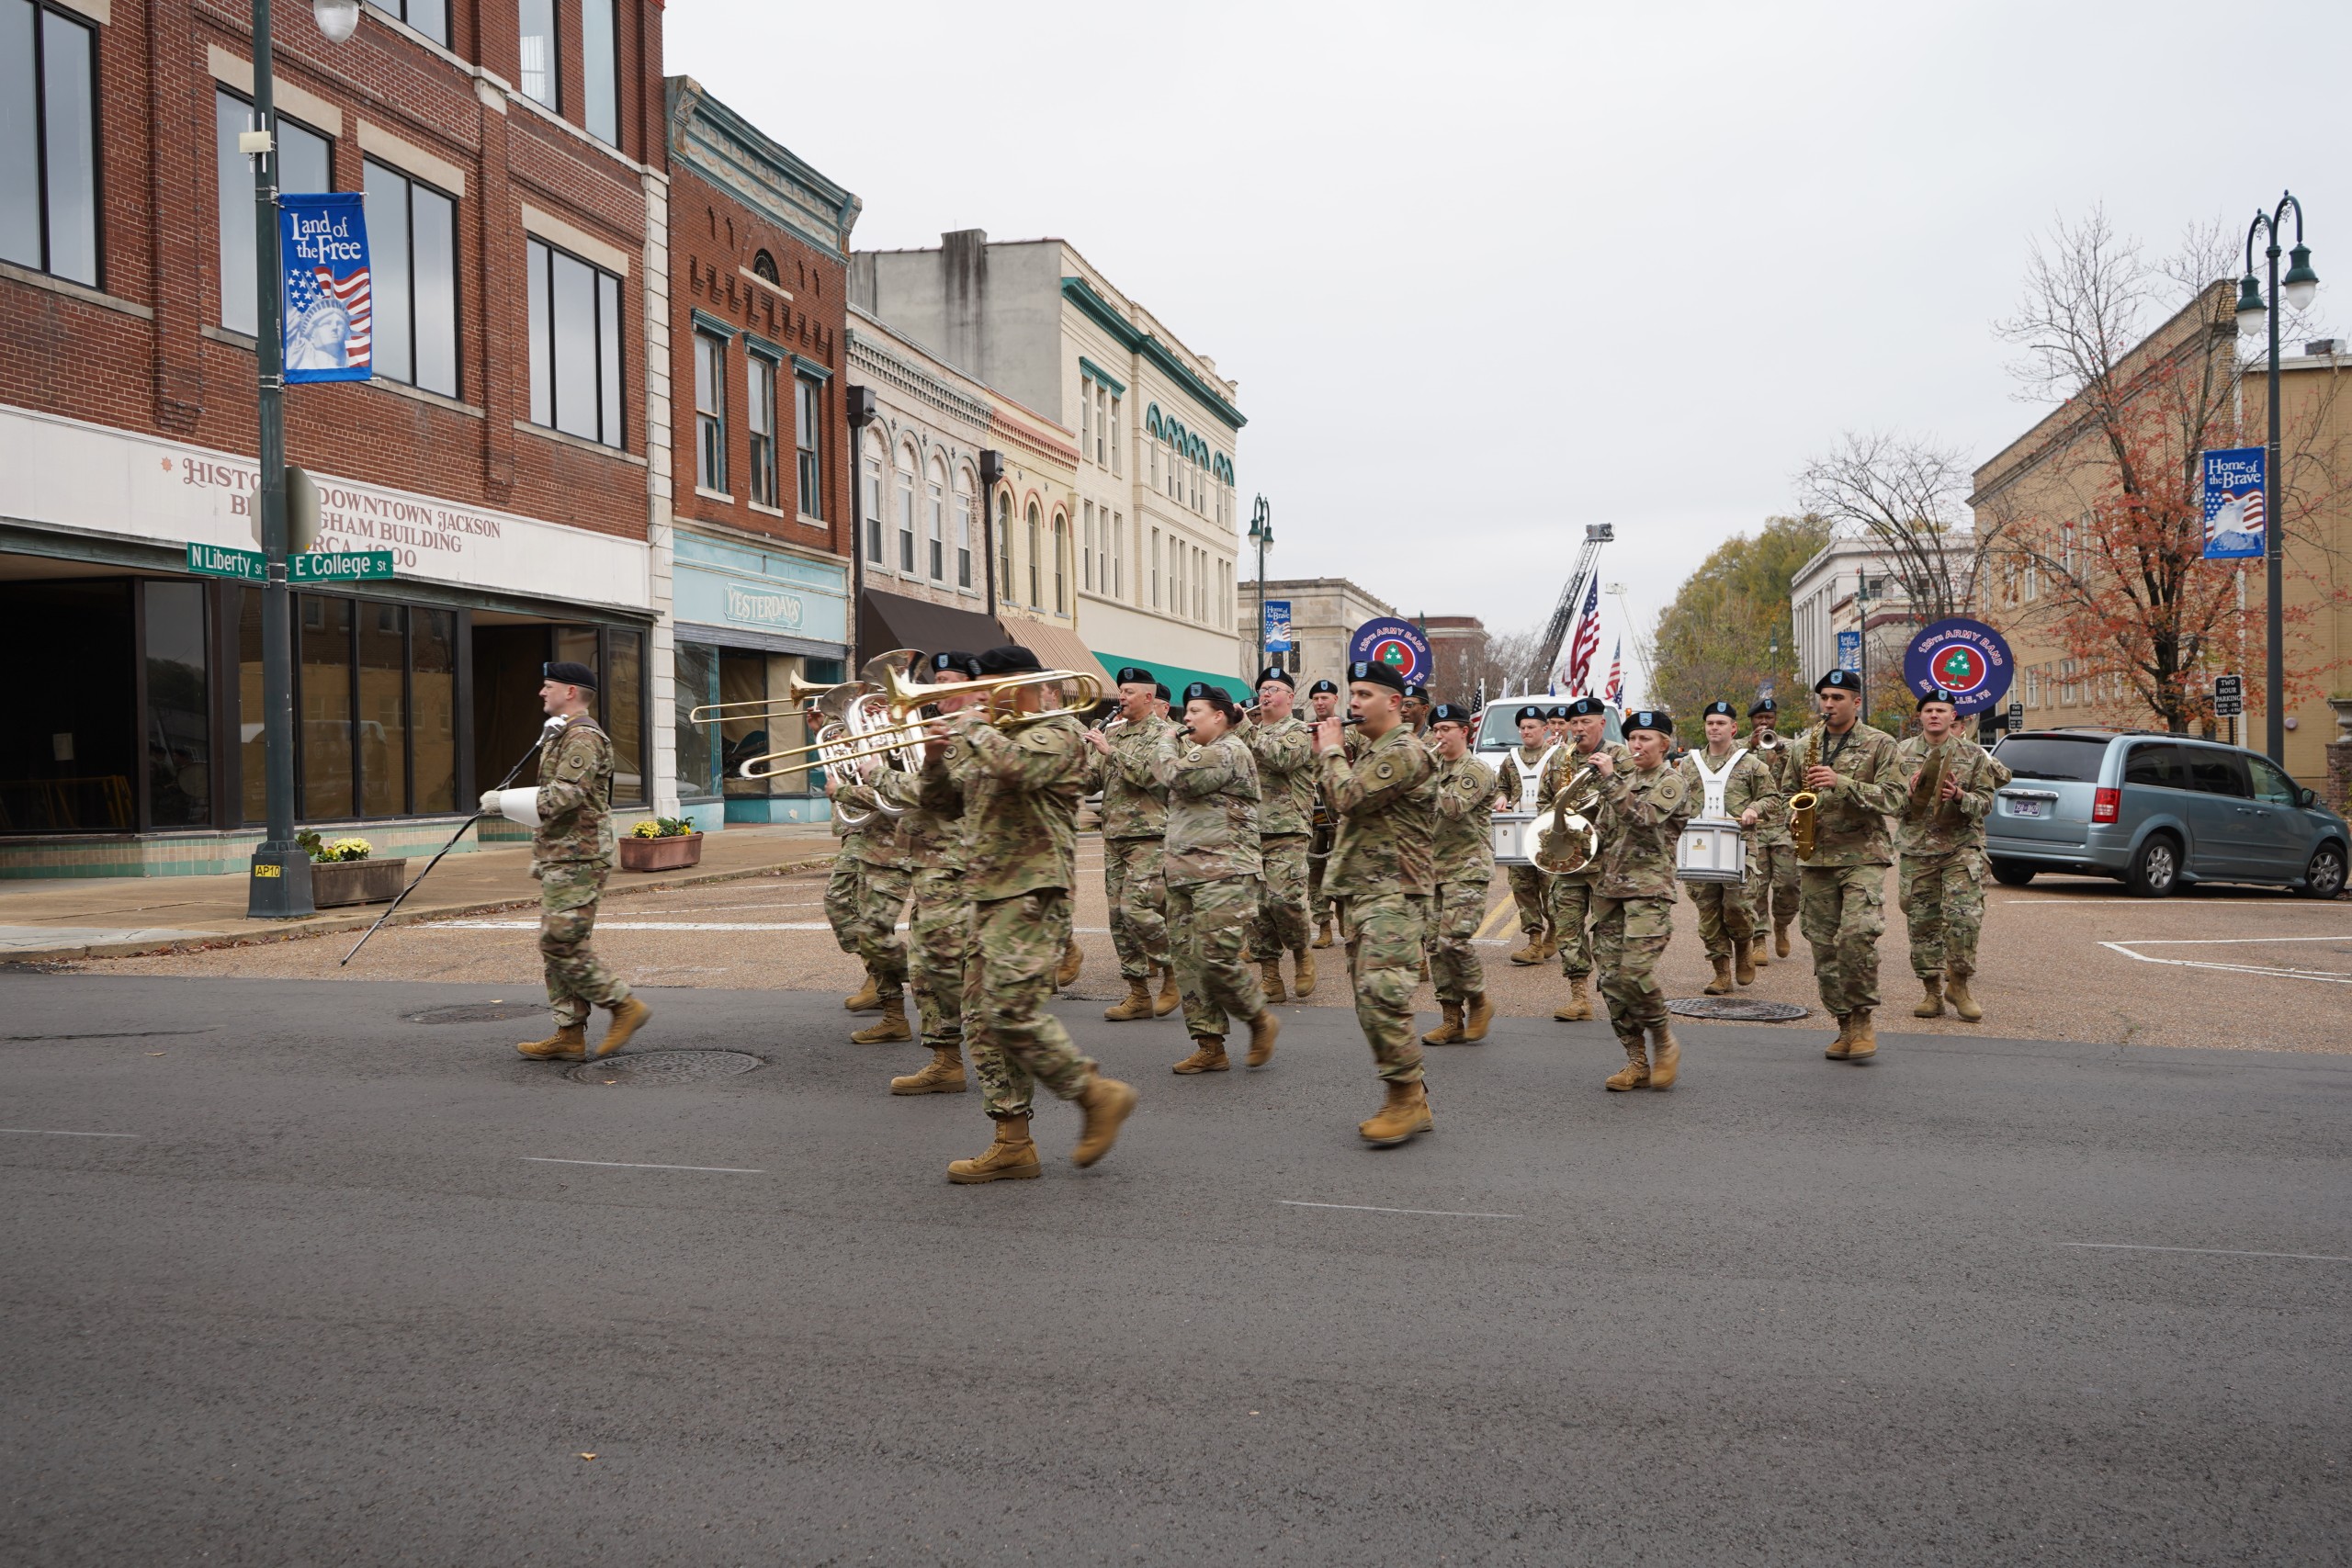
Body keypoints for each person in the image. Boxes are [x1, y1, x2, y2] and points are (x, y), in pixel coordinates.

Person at [920, 645, 1138, 1181]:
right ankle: (1012, 1142)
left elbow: (1018, 770)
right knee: (982, 1023)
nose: (974, 700)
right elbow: (943, 807)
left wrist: (971, 727)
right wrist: (932, 758)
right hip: (988, 890)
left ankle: (1094, 1093)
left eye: (985, 690)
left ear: (1021, 686)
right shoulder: (987, 737)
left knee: (1010, 1012)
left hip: (1032, 891)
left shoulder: (1055, 730)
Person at [496, 660, 651, 1061]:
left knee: (559, 942)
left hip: (578, 855)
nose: (540, 692)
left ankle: (622, 1005)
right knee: (560, 944)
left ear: (570, 691)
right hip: (563, 852)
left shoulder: (582, 737)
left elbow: (565, 796)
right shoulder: (563, 734)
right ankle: (568, 1034)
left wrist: (503, 802)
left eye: (548, 686)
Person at [1313, 660, 1439, 1146]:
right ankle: (1409, 1095)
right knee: (1370, 1001)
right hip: (1364, 890)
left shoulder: (1404, 751)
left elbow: (1350, 799)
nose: (1354, 703)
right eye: (1353, 694)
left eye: (1365, 694)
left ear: (1394, 703)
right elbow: (1337, 802)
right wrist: (1331, 755)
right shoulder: (1370, 750)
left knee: (1383, 995)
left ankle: (1406, 1099)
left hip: (1396, 892)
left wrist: (1329, 753)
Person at [863, 652, 982, 1095]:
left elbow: (932, 793)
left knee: (946, 968)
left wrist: (875, 776)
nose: (939, 693)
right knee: (929, 967)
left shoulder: (976, 733)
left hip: (957, 863)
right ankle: (945, 1059)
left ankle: (983, 1058)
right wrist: (883, 726)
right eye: (936, 683)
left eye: (949, 683)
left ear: (974, 686)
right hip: (930, 862)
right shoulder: (942, 727)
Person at [1152, 682, 1280, 1074]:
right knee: (1189, 962)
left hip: (1223, 872)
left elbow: (1176, 778)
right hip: (1184, 872)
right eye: (1184, 712)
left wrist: (1164, 736)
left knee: (1216, 958)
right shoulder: (1200, 751)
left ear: (1219, 716)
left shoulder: (1228, 750)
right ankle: (1210, 1045)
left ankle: (1259, 1018)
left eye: (1194, 711)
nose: (1185, 718)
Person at [1792, 670, 1906, 1062]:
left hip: (1862, 855)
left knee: (1856, 935)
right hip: (1815, 856)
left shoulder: (1881, 743)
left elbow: (1896, 800)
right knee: (1823, 947)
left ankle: (1862, 1019)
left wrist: (1841, 782)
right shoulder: (1803, 744)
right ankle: (1842, 1024)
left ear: (1856, 701)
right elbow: (1788, 793)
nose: (1828, 704)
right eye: (1824, 697)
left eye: (1837, 697)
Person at [1587, 708, 1691, 1089]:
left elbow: (1645, 819)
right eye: (1632, 738)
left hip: (1649, 890)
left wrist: (1611, 781)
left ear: (1664, 744)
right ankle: (1636, 1060)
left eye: (1645, 738)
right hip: (1610, 890)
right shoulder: (1620, 780)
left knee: (1635, 973)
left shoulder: (1671, 781)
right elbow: (1601, 830)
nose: (1636, 745)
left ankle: (1663, 1040)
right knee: (1612, 981)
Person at [1894, 689, 2002, 1022]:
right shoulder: (1901, 753)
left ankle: (1960, 985)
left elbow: (1985, 802)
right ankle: (1931, 992)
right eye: (1929, 710)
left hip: (1961, 847)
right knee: (1922, 924)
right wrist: (1909, 794)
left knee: (1963, 919)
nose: (1935, 715)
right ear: (1921, 716)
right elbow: (1890, 803)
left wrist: (1959, 795)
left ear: (1953, 716)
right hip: (1918, 851)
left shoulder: (1973, 755)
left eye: (1942, 710)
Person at [825, 662, 916, 1045]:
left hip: (899, 843)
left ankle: (929, 974)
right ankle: (888, 1000)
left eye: (885, 693)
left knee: (875, 930)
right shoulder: (869, 736)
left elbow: (898, 793)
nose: (876, 704)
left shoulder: (912, 740)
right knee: (846, 910)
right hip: (865, 839)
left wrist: (843, 791)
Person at [1085, 666, 1181, 1021]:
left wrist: (1110, 752)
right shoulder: (1115, 733)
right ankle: (1137, 991)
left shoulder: (1165, 735)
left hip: (1149, 836)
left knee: (1137, 909)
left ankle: (1172, 973)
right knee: (1116, 917)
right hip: (1114, 836)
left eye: (1127, 692)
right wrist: (1083, 754)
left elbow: (1155, 778)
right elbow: (1090, 780)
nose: (1120, 698)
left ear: (1148, 697)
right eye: (1120, 691)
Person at [1678, 700, 1782, 996]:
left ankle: (1744, 946)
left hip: (1739, 848)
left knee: (1736, 908)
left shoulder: (1751, 764)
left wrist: (1753, 808)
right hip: (1699, 849)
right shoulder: (1688, 764)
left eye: (1721, 723)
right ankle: (1721, 974)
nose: (1714, 728)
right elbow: (1675, 802)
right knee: (1708, 914)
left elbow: (1774, 800)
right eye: (1710, 723)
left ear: (1733, 728)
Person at [1538, 696, 1628, 1021]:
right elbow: (1544, 802)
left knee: (1608, 931)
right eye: (1574, 723)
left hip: (1607, 859)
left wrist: (1609, 777)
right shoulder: (1559, 758)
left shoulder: (1619, 755)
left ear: (1601, 724)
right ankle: (1579, 997)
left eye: (1585, 722)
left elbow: (1632, 801)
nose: (1578, 728)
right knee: (1567, 928)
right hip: (1570, 859)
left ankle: (1616, 997)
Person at [1238, 665, 1317, 1001]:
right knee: (1256, 908)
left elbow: (1282, 759)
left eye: (1273, 688)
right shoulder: (1247, 732)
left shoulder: (1299, 731)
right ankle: (1270, 976)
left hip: (1287, 827)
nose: (1266, 694)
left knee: (1284, 901)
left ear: (1290, 696)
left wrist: (1244, 729)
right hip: (1249, 830)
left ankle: (1301, 954)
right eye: (1263, 689)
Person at [1420, 703, 1498, 1046]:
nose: (1439, 737)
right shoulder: (1431, 767)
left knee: (1454, 940)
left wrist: (1423, 776)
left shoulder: (1476, 769)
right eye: (1435, 730)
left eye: (1446, 730)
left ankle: (1479, 999)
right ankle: (1451, 1018)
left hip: (1467, 867)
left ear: (1464, 731)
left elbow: (1452, 808)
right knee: (1435, 946)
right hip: (1432, 870)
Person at [1489, 705, 1560, 965]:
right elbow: (1502, 787)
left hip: (1549, 833)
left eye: (1531, 727)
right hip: (1518, 832)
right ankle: (1533, 942)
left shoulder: (1558, 756)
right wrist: (1501, 798)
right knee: (1522, 886)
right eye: (1522, 728)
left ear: (1545, 729)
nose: (1526, 731)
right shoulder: (1511, 759)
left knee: (1550, 887)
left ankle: (1554, 932)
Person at [1747, 697, 1801, 965]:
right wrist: (1751, 746)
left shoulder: (1791, 746)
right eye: (1759, 718)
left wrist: (1779, 748)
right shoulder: (1741, 747)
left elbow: (1803, 770)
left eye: (1769, 718)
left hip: (1783, 827)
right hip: (1754, 826)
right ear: (1752, 721)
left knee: (1788, 884)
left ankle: (1782, 923)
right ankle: (1759, 938)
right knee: (1756, 886)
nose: (1764, 722)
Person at [1304, 678, 1343, 950]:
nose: (1320, 703)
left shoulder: (1349, 731)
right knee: (1316, 869)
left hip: (1341, 811)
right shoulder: (1303, 731)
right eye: (1316, 698)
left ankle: (1346, 923)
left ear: (1335, 700)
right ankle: (1323, 926)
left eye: (1324, 698)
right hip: (1313, 812)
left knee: (1342, 867)